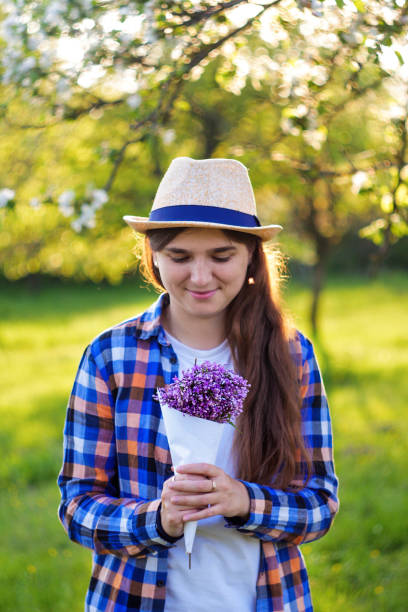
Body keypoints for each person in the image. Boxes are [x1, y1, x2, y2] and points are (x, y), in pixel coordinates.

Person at [58, 157, 339, 612]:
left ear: (251, 256)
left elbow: (320, 505)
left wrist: (243, 500)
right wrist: (159, 518)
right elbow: (77, 507)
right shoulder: (112, 355)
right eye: (180, 256)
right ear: (153, 256)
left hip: (263, 598)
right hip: (135, 599)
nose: (201, 276)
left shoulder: (291, 355)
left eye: (221, 256)